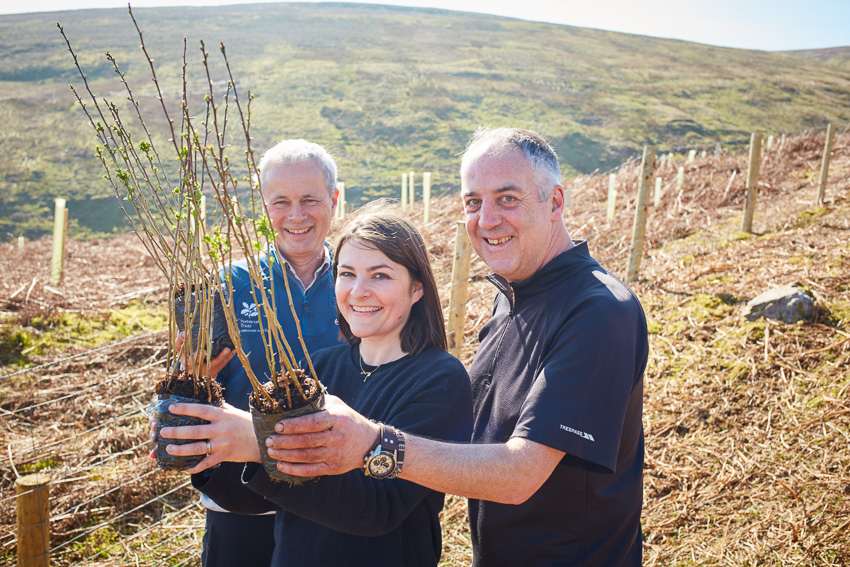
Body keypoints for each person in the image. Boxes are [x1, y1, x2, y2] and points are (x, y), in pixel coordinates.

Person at [266, 128, 649, 566]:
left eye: (507, 198)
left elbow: (520, 475)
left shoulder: (598, 312)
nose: (486, 220)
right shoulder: (512, 301)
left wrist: (375, 444)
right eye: (473, 202)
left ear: (555, 202)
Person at [158, 206, 473, 566]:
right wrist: (207, 445)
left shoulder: (440, 379)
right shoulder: (318, 368)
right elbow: (271, 496)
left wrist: (259, 443)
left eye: (380, 275)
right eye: (347, 273)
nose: (359, 291)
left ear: (417, 288)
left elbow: (379, 510)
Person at [187, 139, 345, 567]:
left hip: (338, 497)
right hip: (242, 498)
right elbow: (188, 378)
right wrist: (190, 378)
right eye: (281, 202)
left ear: (333, 200)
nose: (296, 215)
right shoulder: (231, 282)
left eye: (310, 199)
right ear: (263, 206)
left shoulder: (358, 280)